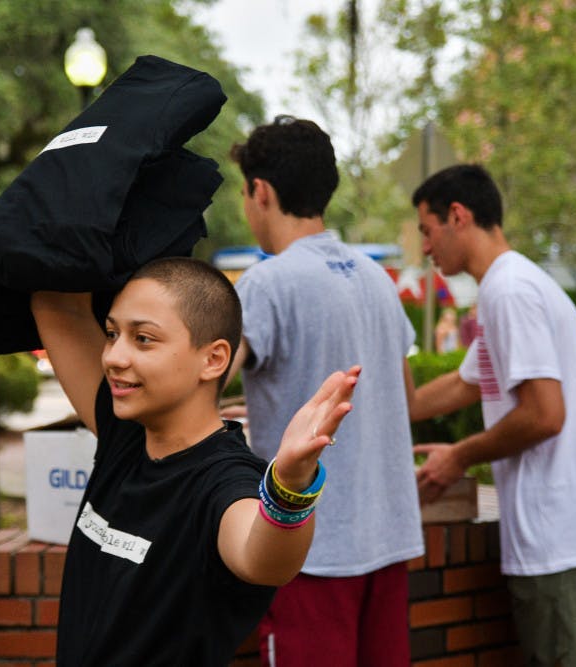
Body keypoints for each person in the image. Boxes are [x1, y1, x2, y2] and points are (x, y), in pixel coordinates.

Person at [30, 257, 360, 666]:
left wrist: (290, 485)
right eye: (113, 333)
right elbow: (54, 303)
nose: (114, 356)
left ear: (214, 359)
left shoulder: (226, 481)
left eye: (144, 339)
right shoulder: (125, 436)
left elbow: (263, 561)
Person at [409, 165, 576, 666]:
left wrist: (458, 456)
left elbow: (543, 415)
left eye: (427, 231)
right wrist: (393, 376)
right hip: (570, 537)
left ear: (458, 216)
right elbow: (463, 384)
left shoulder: (506, 292)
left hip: (562, 540)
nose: (425, 249)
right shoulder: (513, 284)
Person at [227, 115, 423, 666]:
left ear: (260, 192)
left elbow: (207, 379)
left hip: (306, 550)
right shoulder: (378, 281)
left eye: (245, 194)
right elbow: (401, 397)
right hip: (388, 539)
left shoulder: (265, 283)